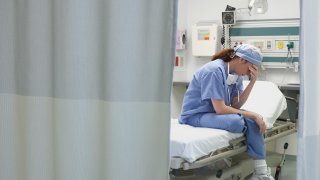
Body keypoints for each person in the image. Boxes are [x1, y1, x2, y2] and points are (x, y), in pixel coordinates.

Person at [179, 44, 274, 180]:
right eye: (250, 69)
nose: (250, 73)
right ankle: (260, 172)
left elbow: (236, 105)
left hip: (214, 113)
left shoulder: (237, 76)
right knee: (238, 120)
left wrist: (252, 82)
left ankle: (261, 171)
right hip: (195, 115)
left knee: (252, 120)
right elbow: (220, 109)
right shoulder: (214, 70)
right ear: (241, 60)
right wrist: (253, 114)